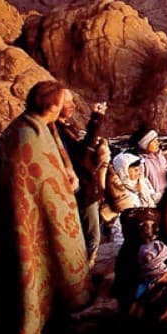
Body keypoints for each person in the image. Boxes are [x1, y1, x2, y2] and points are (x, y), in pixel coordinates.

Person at [0, 80, 91, 334]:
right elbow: (36, 182)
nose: (71, 107)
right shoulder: (25, 137)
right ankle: (30, 326)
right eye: (66, 102)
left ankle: (54, 317)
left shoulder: (42, 129)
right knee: (28, 269)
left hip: (41, 216)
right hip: (23, 223)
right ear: (52, 106)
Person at [55, 93, 106, 268]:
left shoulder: (64, 129)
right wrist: (96, 121)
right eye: (67, 102)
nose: (73, 106)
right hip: (80, 191)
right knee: (91, 237)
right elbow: (81, 156)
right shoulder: (55, 132)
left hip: (84, 189)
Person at [136, 129, 167, 201]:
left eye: (157, 140)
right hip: (154, 199)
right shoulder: (142, 162)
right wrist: (155, 196)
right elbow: (143, 184)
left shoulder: (160, 156)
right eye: (154, 141)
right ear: (145, 144)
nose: (158, 143)